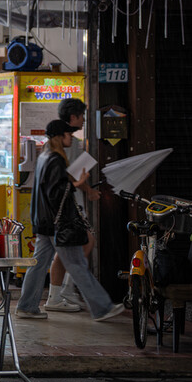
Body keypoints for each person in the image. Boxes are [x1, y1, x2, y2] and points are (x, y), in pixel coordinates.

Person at [16, 120, 124, 322]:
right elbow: (56, 192)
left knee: (38, 264)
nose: (71, 138)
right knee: (76, 264)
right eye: (69, 134)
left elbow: (49, 189)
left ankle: (27, 306)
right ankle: (102, 308)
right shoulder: (55, 159)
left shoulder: (44, 157)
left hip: (44, 221)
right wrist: (77, 184)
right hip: (58, 224)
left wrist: (75, 184)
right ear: (60, 136)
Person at [45, 99, 100, 311]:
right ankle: (62, 291)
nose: (84, 120)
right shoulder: (69, 142)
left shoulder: (59, 141)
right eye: (82, 116)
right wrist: (88, 190)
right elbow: (72, 174)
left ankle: (61, 292)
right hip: (66, 206)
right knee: (81, 244)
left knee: (73, 246)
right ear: (73, 117)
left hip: (58, 206)